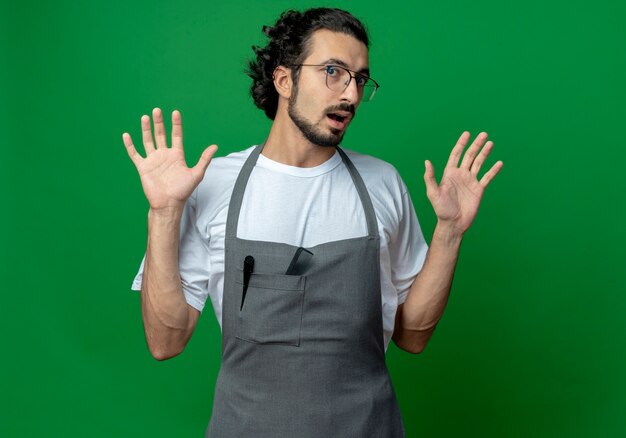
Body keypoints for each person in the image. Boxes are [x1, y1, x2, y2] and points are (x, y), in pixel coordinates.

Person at [123, 7, 502, 437]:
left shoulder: (383, 183)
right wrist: (164, 212)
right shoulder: (214, 185)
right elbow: (165, 342)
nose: (351, 94)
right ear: (284, 80)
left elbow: (412, 336)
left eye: (360, 78)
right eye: (333, 72)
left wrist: (450, 233)